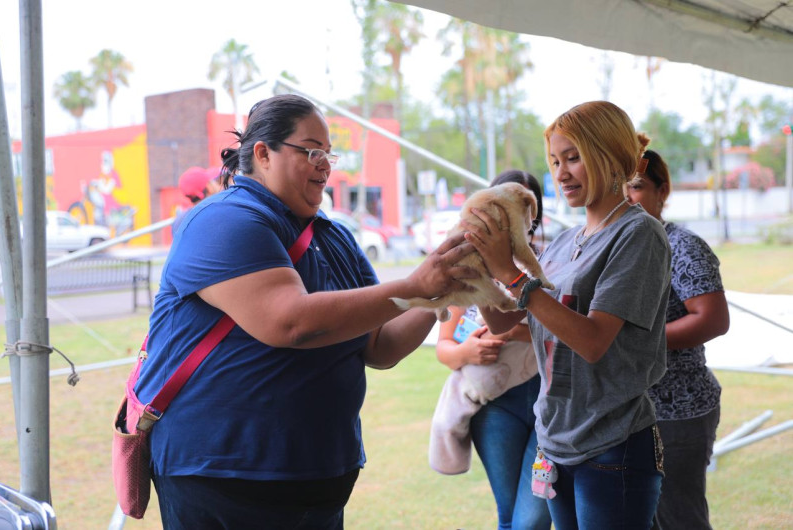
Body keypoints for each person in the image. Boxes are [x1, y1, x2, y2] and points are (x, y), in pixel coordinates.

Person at [134, 93, 478, 529]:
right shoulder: (223, 221)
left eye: (328, 153)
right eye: (312, 150)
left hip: (316, 480)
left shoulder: (333, 237)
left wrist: (445, 290)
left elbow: (381, 345)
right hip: (224, 479)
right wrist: (415, 285)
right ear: (262, 154)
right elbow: (289, 321)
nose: (326, 164)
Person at [468, 101, 672, 529]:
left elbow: (594, 341)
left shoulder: (638, 233)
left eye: (574, 158)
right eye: (555, 160)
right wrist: (479, 267)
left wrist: (510, 272)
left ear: (610, 155)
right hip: (556, 438)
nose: (560, 174)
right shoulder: (564, 242)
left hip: (611, 441)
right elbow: (506, 322)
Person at [433, 170, 552, 530]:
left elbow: (571, 333)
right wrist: (467, 352)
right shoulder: (468, 263)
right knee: (509, 514)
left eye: (525, 205)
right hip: (495, 406)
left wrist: (519, 333)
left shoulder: (550, 263)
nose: (515, 213)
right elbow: (444, 347)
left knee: (533, 517)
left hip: (550, 404)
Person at [625, 149, 730, 530]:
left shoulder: (682, 245)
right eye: (618, 187)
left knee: (679, 519)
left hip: (678, 410)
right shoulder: (620, 247)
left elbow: (714, 319)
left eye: (636, 187)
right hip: (627, 413)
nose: (626, 196)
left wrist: (632, 341)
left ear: (662, 191)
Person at [171, 166, 223, 233]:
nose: (218, 185)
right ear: (209, 187)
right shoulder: (217, 215)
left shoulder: (179, 221)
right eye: (214, 182)